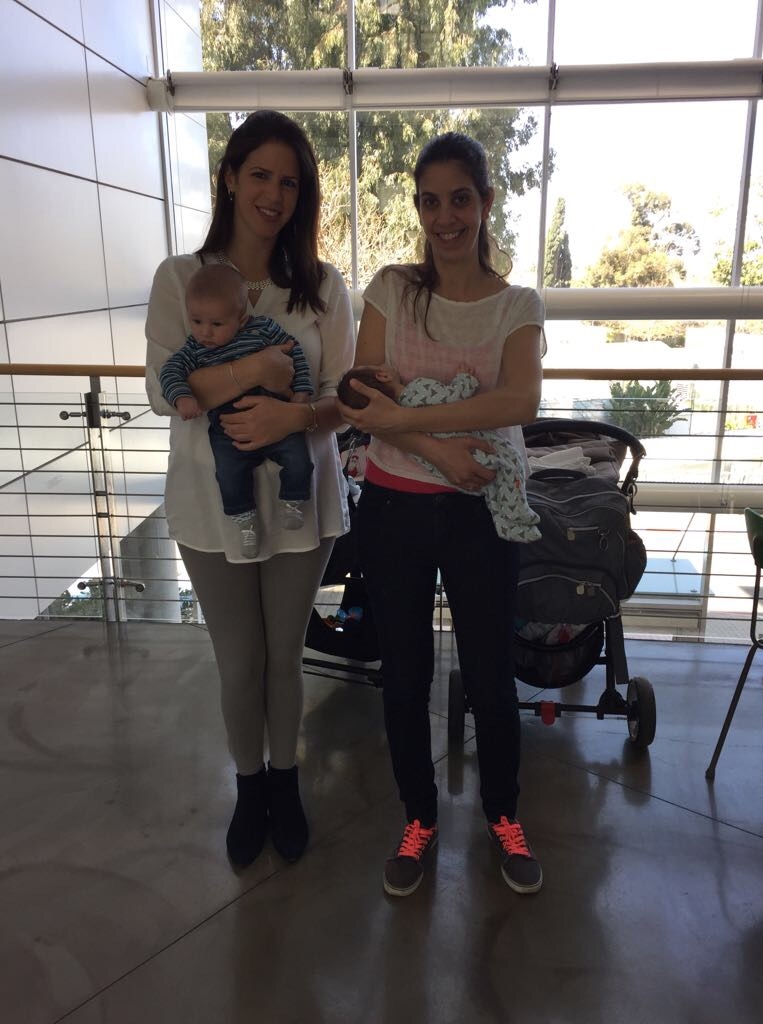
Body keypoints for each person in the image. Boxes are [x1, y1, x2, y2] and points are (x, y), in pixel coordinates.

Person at [337, 131, 546, 898]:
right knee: (403, 677)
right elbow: (360, 400)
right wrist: (441, 452)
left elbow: (520, 400)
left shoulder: (518, 305)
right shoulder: (392, 289)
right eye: (430, 201)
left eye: (460, 199)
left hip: (481, 514)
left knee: (491, 678)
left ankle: (503, 816)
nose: (445, 217)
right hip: (394, 508)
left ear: (486, 202)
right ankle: (418, 819)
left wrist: (409, 420)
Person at [145, 109, 355, 870]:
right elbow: (164, 390)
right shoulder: (180, 279)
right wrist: (257, 371)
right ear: (230, 178)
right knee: (239, 661)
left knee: (284, 657)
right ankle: (249, 785)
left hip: (302, 500)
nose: (273, 194)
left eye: (289, 182)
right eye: (260, 174)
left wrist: (292, 414)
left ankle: (286, 781)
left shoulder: (322, 286)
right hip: (211, 505)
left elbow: (343, 397)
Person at [159, 263, 315, 557]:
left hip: (279, 413)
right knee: (229, 474)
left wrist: (301, 393)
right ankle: (245, 522)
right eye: (196, 321)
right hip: (227, 424)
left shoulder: (264, 329)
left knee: (299, 459)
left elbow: (295, 353)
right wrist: (182, 398)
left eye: (217, 324)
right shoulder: (195, 348)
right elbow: (169, 372)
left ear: (241, 319)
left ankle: (293, 500)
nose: (205, 332)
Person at [337, 362, 541, 543]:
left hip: (441, 470)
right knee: (510, 464)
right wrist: (465, 379)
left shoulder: (391, 424)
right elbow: (453, 396)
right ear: (383, 375)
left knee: (493, 489)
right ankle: (517, 519)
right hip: (472, 446)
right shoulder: (417, 389)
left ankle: (505, 519)